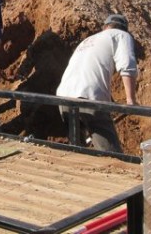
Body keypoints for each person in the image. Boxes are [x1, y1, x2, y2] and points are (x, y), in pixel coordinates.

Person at [56, 14, 138, 153]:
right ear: (124, 29)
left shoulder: (89, 40)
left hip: (63, 96)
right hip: (89, 98)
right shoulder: (121, 35)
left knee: (76, 152)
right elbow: (127, 66)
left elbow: (89, 72)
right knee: (111, 154)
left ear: (105, 26)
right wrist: (131, 100)